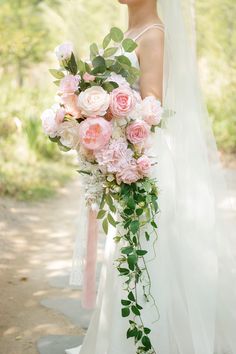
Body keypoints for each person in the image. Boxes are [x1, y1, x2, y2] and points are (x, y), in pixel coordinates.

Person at [66, 0, 236, 353]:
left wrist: (105, 118)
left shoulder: (153, 34)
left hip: (145, 161)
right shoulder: (127, 34)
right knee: (126, 251)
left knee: (147, 252)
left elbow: (151, 108)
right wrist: (84, 114)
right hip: (124, 158)